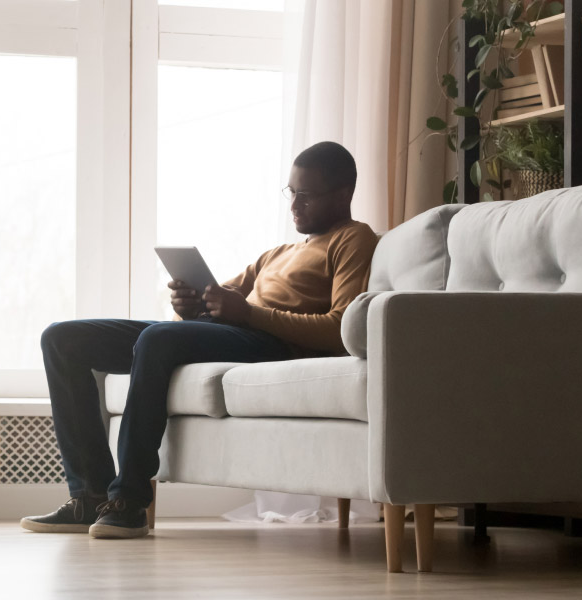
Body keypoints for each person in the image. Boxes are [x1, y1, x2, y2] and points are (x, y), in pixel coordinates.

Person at [21, 141, 379, 539]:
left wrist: (247, 314)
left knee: (158, 338)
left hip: (272, 348)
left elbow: (338, 328)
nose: (294, 205)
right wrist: (190, 307)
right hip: (233, 333)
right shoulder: (277, 253)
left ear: (343, 194)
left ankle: (129, 501)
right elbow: (218, 301)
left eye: (306, 196)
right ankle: (88, 496)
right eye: (291, 193)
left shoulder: (353, 239)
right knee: (62, 339)